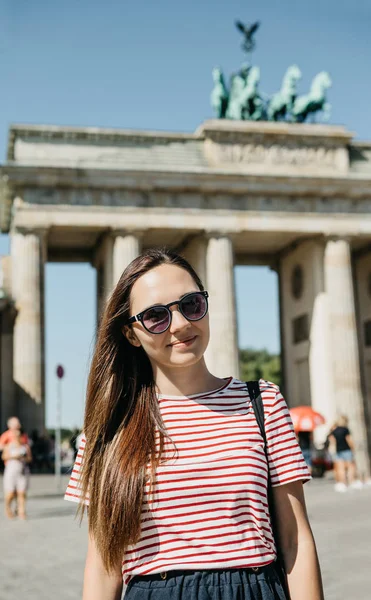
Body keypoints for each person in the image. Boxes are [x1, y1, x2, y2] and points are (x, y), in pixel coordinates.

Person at [65, 248, 324, 600]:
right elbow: (103, 564)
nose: (182, 324)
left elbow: (296, 541)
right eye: (156, 316)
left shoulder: (262, 402)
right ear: (130, 334)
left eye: (191, 304)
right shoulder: (110, 429)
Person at [2, 428, 32, 519]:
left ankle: (21, 511)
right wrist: (14, 456)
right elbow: (4, 457)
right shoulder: (9, 446)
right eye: (15, 436)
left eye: (19, 435)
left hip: (22, 471)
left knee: (21, 493)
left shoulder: (25, 446)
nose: (17, 437)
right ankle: (7, 507)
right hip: (11, 471)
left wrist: (24, 458)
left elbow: (30, 459)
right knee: (11, 493)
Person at [329, 415, 363, 492]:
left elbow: (332, 441)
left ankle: (343, 483)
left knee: (341, 468)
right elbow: (348, 440)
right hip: (346, 450)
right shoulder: (345, 429)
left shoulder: (334, 430)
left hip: (338, 451)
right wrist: (353, 448)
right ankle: (352, 481)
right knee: (350, 467)